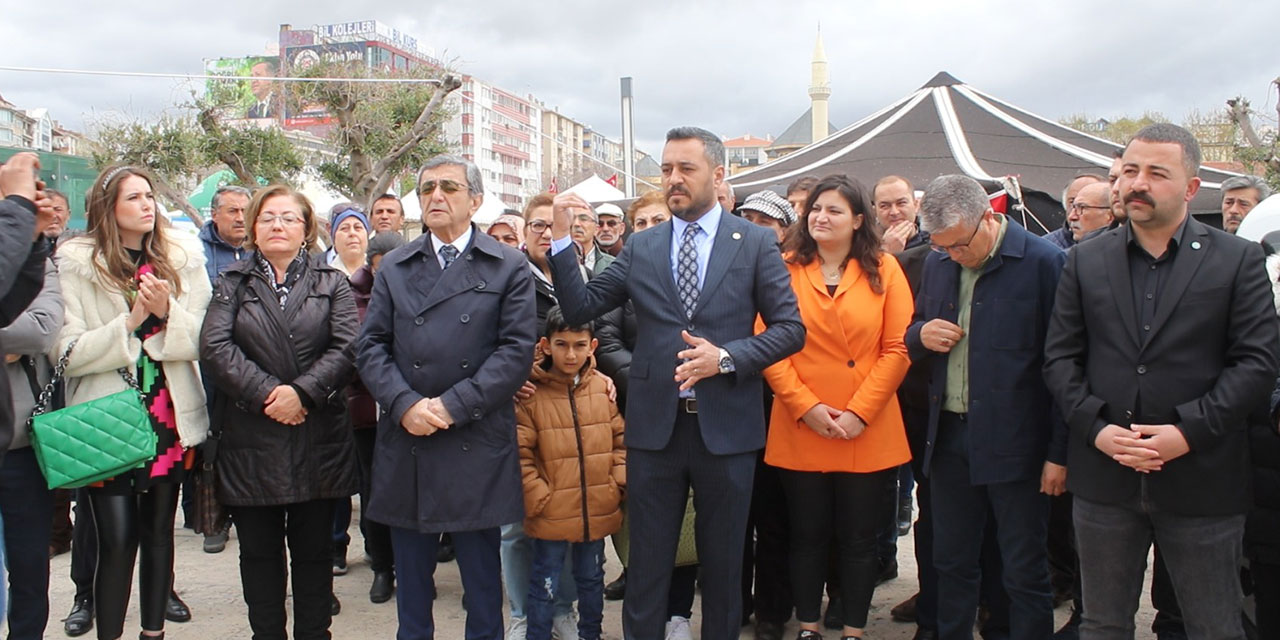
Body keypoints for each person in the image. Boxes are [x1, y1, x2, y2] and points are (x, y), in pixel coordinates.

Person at [546, 126, 805, 640]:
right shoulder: (642, 246)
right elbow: (579, 308)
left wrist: (727, 358)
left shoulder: (753, 242)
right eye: (666, 169)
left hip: (727, 431)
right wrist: (560, 237)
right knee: (647, 567)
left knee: (724, 568)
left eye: (686, 168)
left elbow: (790, 330)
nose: (674, 179)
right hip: (655, 431)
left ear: (718, 174)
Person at [1042, 123, 1280, 640]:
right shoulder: (1084, 261)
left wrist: (1185, 433)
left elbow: (1258, 363)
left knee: (1212, 625)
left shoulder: (1236, 260)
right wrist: (1098, 429)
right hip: (1105, 479)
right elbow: (1060, 360)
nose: (1137, 183)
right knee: (1102, 623)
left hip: (1203, 482)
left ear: (1192, 188)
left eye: (1156, 172)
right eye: (1130, 171)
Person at [357, 154, 537, 640]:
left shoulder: (508, 266)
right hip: (408, 436)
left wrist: (450, 406)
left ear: (475, 200)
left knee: (481, 583)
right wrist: (405, 404)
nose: (436, 196)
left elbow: (516, 351)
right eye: (428, 188)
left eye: (450, 188)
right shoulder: (394, 266)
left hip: (474, 439)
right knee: (412, 586)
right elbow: (370, 345)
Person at [56, 164, 212, 640]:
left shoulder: (182, 256)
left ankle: (152, 633)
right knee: (117, 539)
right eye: (134, 198)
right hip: (105, 417)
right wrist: (129, 322)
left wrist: (167, 314)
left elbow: (205, 337)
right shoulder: (78, 263)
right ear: (109, 209)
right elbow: (66, 352)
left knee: (159, 533)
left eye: (150, 195)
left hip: (168, 413)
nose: (148, 205)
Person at [907, 174, 1065, 639]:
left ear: (989, 217)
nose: (953, 256)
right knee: (951, 562)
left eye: (959, 246)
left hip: (1019, 443)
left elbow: (1063, 365)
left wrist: (1059, 452)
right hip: (950, 437)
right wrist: (921, 335)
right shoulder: (938, 264)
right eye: (942, 248)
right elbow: (912, 329)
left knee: (1023, 568)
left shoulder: (1045, 263)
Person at [761, 174, 913, 640]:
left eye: (834, 210)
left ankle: (853, 628)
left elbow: (898, 349)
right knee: (806, 536)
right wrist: (806, 407)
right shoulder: (783, 267)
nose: (821, 217)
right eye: (816, 210)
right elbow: (766, 343)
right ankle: (807, 625)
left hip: (866, 424)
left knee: (859, 540)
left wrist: (858, 411)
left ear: (858, 220)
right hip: (801, 422)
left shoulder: (885, 268)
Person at [516, 306, 626, 640]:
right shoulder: (531, 394)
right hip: (549, 511)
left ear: (592, 346)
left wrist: (616, 484)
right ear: (546, 345)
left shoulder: (602, 390)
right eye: (562, 344)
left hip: (597, 507)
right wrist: (539, 496)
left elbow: (620, 440)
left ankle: (590, 634)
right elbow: (521, 455)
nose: (570, 354)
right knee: (544, 582)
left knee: (592, 580)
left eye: (579, 345)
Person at [0, 152, 55, 634]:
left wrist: (32, 239)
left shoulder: (23, 241)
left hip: (18, 440)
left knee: (30, 567)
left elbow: (39, 330)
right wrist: (16, 204)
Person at [347, 231, 405, 605]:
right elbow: (351, 350)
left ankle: (417, 567)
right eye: (380, 270)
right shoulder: (350, 298)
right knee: (375, 493)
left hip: (412, 408)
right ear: (370, 266)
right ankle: (382, 566)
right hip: (369, 411)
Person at [199, 186, 251, 282]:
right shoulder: (198, 252)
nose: (240, 218)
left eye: (245, 211)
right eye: (232, 211)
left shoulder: (261, 249)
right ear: (214, 215)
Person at [1045, 175, 1107, 250]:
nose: (1073, 215)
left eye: (1083, 206)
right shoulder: (1045, 248)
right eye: (1072, 202)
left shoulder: (1120, 246)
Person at [327, 205, 370, 277]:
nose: (352, 233)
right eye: (344, 228)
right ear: (334, 237)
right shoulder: (322, 277)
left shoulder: (380, 272)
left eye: (358, 227)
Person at [571, 206, 614, 277]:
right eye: (571, 219)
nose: (576, 224)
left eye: (583, 219)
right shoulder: (554, 262)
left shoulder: (612, 265)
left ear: (596, 229)